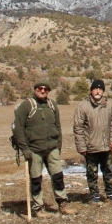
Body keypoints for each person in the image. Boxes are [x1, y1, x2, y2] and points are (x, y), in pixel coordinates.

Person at [12, 82, 77, 216]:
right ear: (35, 90)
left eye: (45, 89)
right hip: (34, 149)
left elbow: (57, 126)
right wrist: (25, 149)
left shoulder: (52, 105)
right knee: (36, 178)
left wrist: (58, 145)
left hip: (52, 147)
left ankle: (63, 204)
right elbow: (18, 128)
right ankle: (38, 208)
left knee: (58, 176)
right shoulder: (26, 105)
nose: (43, 91)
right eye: (40, 89)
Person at [73, 79, 112, 204]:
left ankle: (111, 193)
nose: (97, 91)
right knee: (92, 172)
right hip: (91, 146)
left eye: (100, 89)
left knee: (109, 170)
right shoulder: (83, 106)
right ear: (91, 90)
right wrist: (81, 147)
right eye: (95, 88)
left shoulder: (109, 105)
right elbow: (78, 128)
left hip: (106, 146)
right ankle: (94, 195)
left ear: (103, 91)